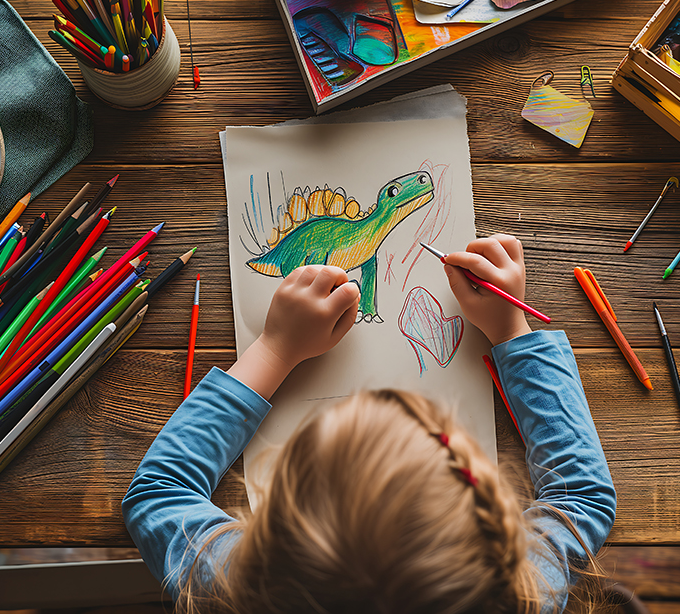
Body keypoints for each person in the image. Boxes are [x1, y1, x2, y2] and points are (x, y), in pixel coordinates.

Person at [123, 234, 616, 613]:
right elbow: (584, 496)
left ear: (277, 528)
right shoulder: (522, 591)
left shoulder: (245, 587)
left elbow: (157, 493)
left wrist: (273, 350)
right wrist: (511, 327)